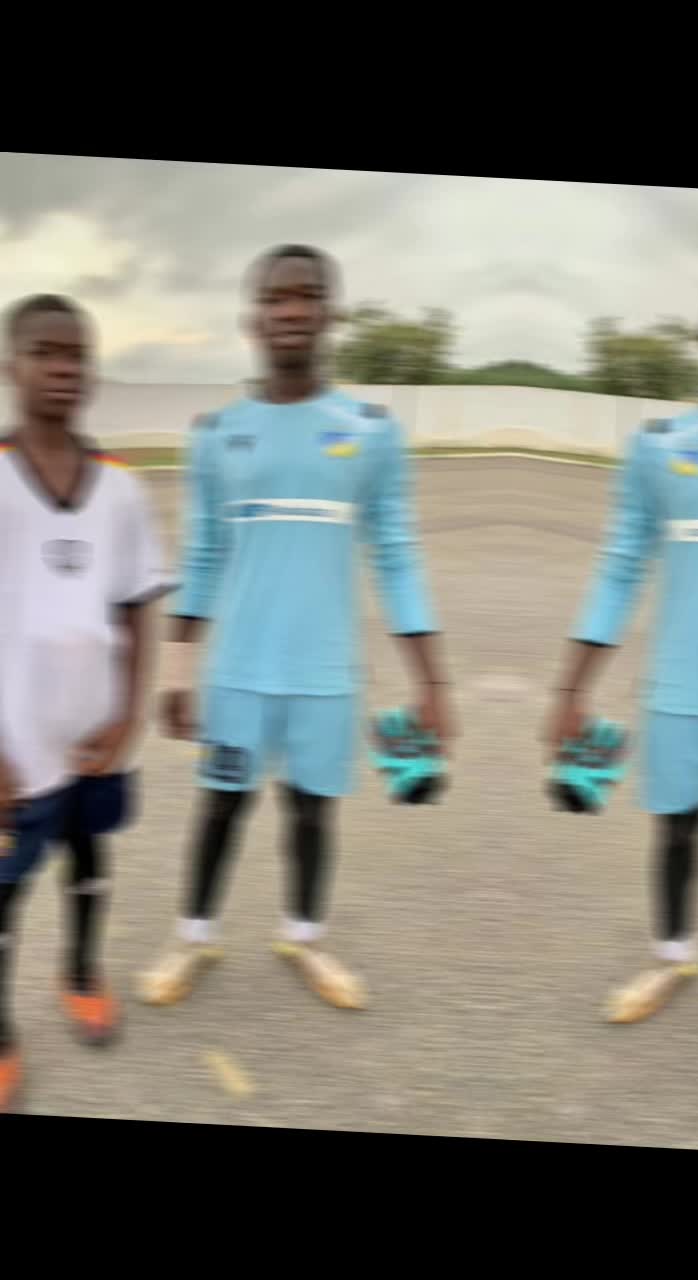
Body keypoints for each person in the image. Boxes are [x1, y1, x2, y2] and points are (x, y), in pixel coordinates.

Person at [138, 244, 454, 1011]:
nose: (290, 311)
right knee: (222, 804)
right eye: (275, 298)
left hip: (325, 675)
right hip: (238, 674)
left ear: (330, 313)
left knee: (313, 810)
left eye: (306, 295)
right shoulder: (217, 434)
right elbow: (203, 556)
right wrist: (177, 674)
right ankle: (193, 938)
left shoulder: (371, 431)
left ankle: (304, 939)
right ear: (253, 318)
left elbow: (396, 558)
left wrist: (431, 683)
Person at [0, 294, 173, 1111]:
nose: (64, 367)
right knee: (6, 890)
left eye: (77, 354)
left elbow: (137, 609)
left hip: (95, 739)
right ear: (12, 364)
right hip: (13, 750)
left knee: (90, 863)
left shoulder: (122, 489)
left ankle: (79, 973)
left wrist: (130, 717)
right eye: (46, 351)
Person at [546, 279, 698, 1023]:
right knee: (679, 825)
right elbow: (620, 569)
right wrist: (571, 689)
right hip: (685, 684)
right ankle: (673, 956)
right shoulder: (660, 448)